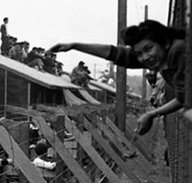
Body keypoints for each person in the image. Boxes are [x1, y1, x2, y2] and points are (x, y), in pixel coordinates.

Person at [49, 19, 186, 135]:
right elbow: (117, 54)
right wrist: (75, 46)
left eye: (148, 49)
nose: (144, 58)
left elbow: (183, 99)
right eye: (139, 54)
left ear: (165, 42)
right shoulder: (163, 55)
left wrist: (152, 114)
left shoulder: (178, 52)